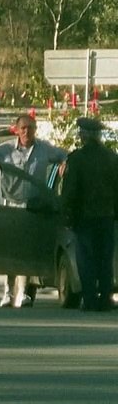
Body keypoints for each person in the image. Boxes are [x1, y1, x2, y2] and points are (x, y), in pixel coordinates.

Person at [0, 114, 67, 307]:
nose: (27, 132)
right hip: (11, 205)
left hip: (33, 206)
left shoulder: (44, 149)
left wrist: (64, 162)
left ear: (36, 130)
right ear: (17, 130)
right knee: (10, 251)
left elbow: (65, 154)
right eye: (23, 128)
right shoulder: (7, 150)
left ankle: (26, 293)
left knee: (28, 250)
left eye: (31, 128)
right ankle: (9, 293)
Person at [61, 117, 118, 312]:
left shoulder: (77, 159)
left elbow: (70, 191)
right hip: (107, 217)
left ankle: (90, 298)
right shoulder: (112, 157)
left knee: (86, 259)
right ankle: (106, 297)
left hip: (84, 218)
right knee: (105, 257)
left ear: (84, 135)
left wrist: (67, 214)